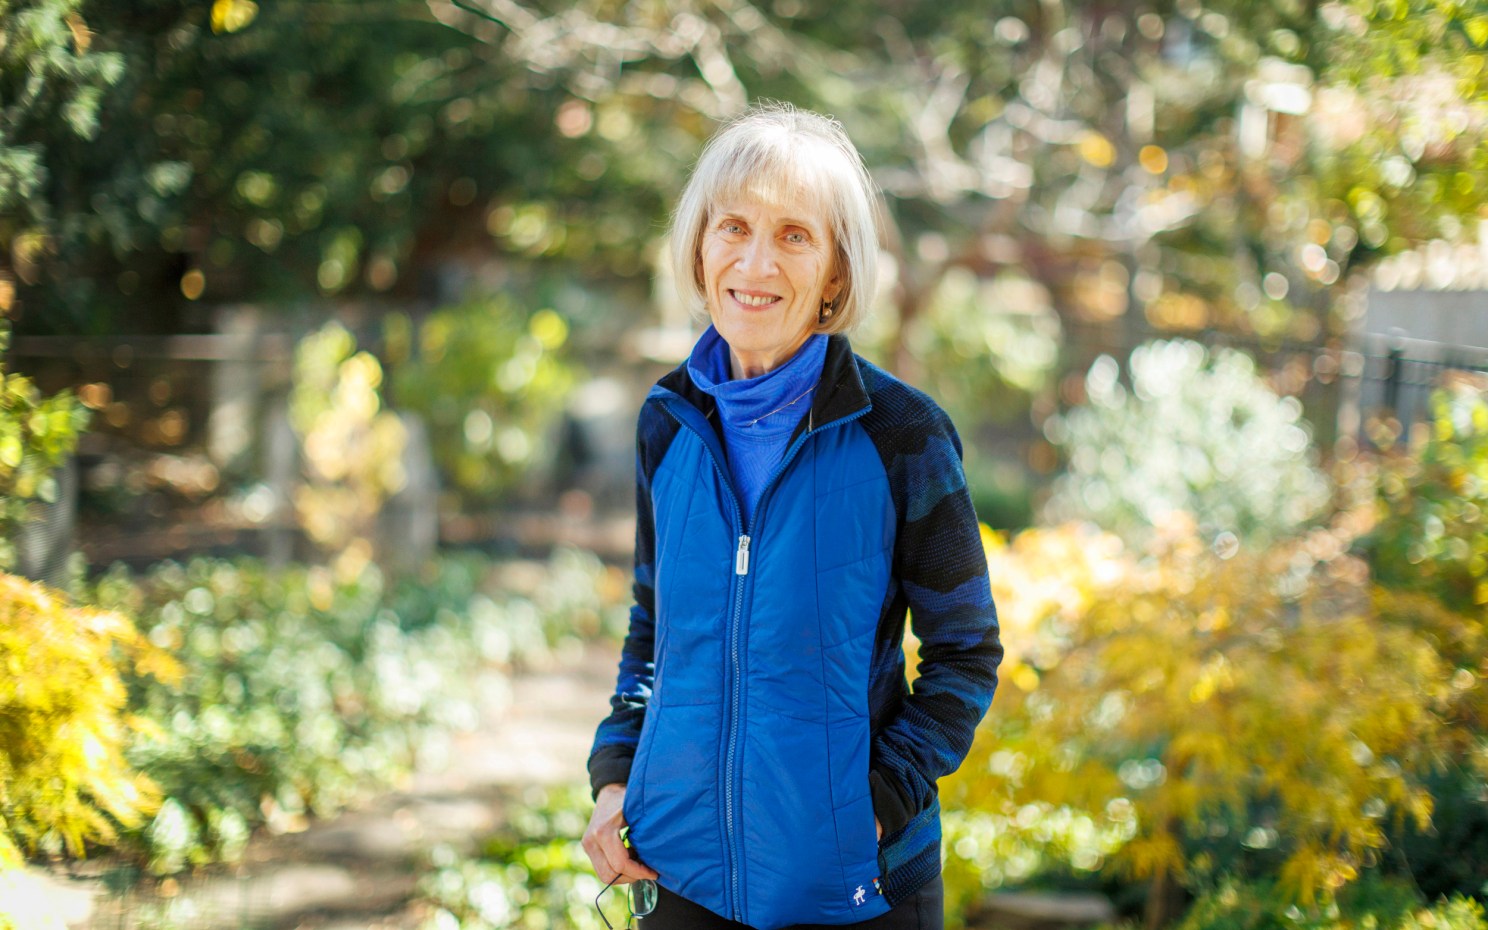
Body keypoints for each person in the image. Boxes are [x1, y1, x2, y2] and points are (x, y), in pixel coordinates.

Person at [583, 102, 1002, 930]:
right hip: (681, 873)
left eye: (794, 236)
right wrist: (616, 777)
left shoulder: (902, 437)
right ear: (701, 248)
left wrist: (870, 808)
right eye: (732, 226)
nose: (755, 261)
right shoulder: (667, 422)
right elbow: (652, 626)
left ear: (836, 276)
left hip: (855, 888)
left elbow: (966, 654)